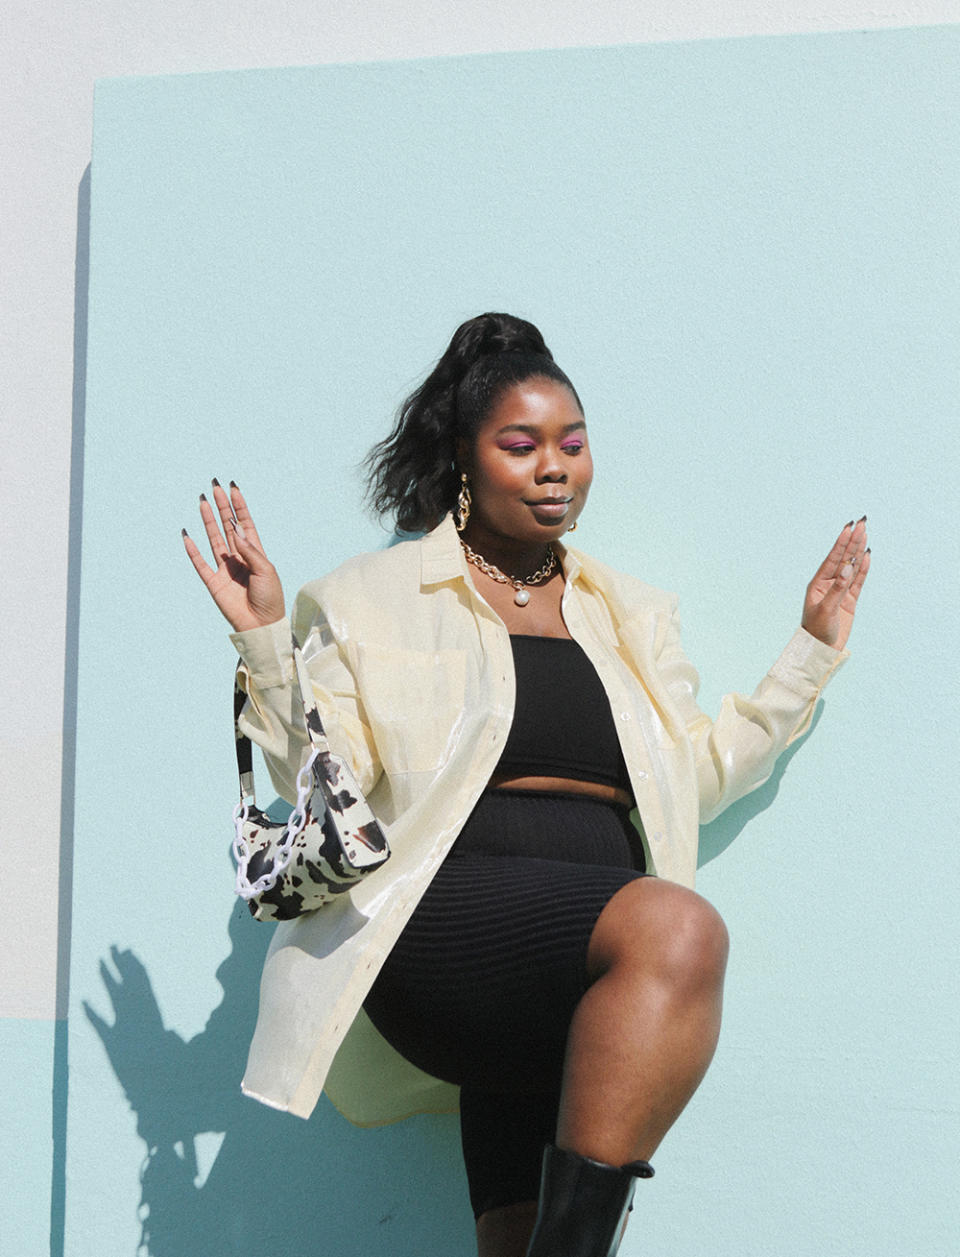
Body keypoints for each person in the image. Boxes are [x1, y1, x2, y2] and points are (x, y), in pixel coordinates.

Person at [183, 312, 869, 1257]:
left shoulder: (630, 613)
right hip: (445, 932)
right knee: (679, 925)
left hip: (575, 960)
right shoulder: (371, 597)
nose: (556, 466)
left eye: (573, 444)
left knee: (516, 1237)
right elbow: (323, 784)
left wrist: (810, 653)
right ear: (465, 460)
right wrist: (265, 640)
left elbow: (693, 780)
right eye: (522, 445)